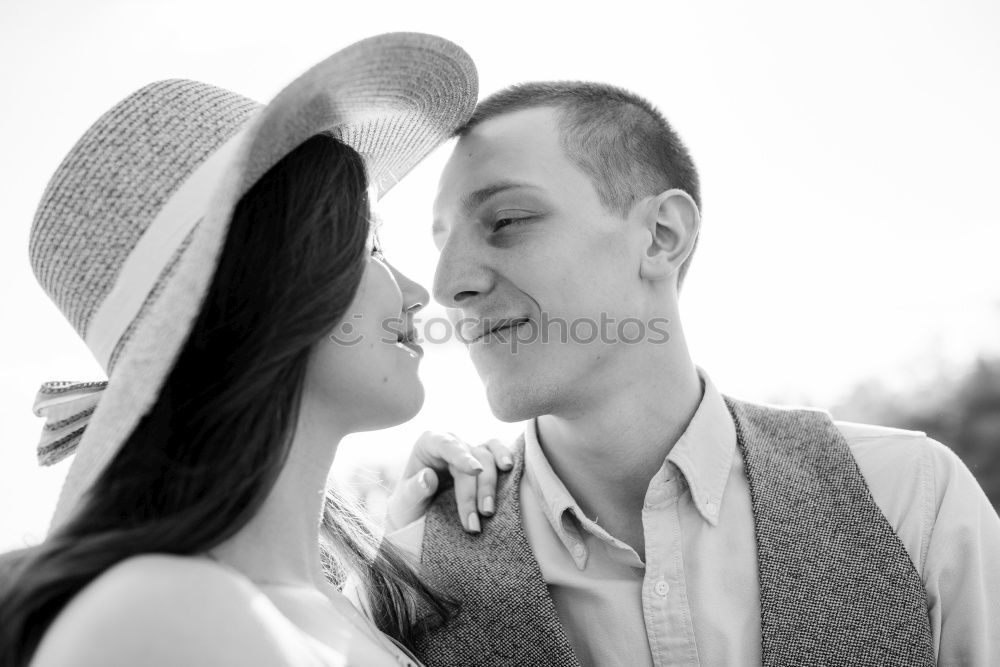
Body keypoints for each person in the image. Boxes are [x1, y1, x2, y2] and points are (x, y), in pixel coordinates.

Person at [385, 82, 1000, 666]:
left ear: (660, 236)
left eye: (506, 221)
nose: (447, 286)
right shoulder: (412, 567)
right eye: (442, 243)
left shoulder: (913, 498)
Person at [0, 33, 482, 667]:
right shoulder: (158, 620)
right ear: (272, 282)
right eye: (370, 247)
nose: (420, 292)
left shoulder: (334, 608)